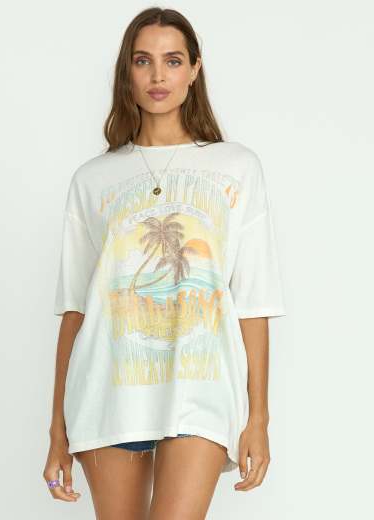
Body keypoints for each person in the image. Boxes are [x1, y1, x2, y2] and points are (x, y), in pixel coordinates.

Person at [43, 6, 286, 519]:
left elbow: (253, 303)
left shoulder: (237, 166)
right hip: (108, 393)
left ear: (195, 69)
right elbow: (76, 311)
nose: (158, 75)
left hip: (202, 390)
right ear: (126, 71)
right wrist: (56, 433)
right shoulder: (92, 179)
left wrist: (258, 419)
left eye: (173, 60)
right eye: (143, 61)